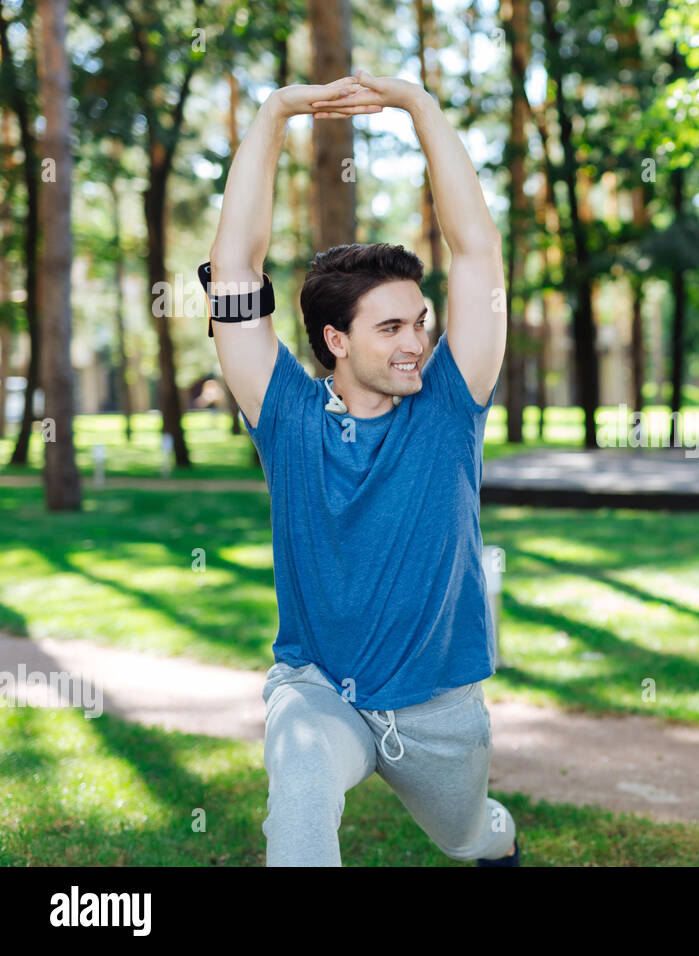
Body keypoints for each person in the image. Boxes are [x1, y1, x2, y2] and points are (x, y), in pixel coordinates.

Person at [200, 70, 518, 866]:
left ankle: (495, 841)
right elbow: (234, 263)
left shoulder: (450, 404)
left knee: (467, 834)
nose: (415, 340)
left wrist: (420, 105)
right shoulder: (285, 414)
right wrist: (275, 111)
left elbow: (478, 249)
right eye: (390, 327)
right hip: (319, 690)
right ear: (336, 340)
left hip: (439, 709)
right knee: (301, 784)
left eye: (420, 320)